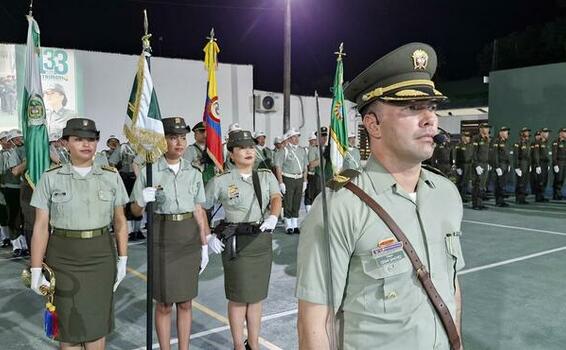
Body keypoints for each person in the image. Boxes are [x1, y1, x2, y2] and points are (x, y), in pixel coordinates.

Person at [296, 42, 464, 350]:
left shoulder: (446, 194)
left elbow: (450, 288)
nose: (430, 119)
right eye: (413, 108)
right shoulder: (341, 205)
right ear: (373, 124)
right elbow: (316, 322)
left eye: (432, 107)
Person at [30, 118, 129, 349]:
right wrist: (36, 269)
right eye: (78, 139)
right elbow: (41, 226)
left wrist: (123, 259)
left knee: (96, 329)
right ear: (66, 143)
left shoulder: (110, 176)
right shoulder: (50, 177)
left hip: (100, 257)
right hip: (62, 260)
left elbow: (120, 221)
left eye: (92, 139)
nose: (86, 144)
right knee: (68, 329)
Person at [130, 117, 212, 350]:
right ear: (162, 140)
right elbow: (135, 210)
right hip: (162, 235)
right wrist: (142, 199)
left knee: (186, 302)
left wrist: (204, 243)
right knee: (164, 303)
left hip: (188, 236)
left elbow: (199, 209)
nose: (179, 143)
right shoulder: (150, 170)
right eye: (173, 137)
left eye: (183, 138)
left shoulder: (193, 171)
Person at [205, 129, 282, 350]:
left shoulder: (265, 176)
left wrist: (274, 216)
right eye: (241, 148)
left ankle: (254, 344)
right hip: (236, 244)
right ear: (231, 154)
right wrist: (208, 234)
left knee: (256, 297)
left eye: (251, 147)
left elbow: (276, 197)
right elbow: (201, 206)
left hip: (260, 241)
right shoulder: (221, 181)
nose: (248, 151)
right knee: (239, 298)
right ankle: (239, 345)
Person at [274, 128, 307, 234]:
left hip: (299, 178)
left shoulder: (302, 150)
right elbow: (278, 167)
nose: (297, 139)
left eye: (298, 136)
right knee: (288, 201)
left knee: (297, 201)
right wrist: (281, 182)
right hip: (288, 178)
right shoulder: (284, 150)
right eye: (294, 137)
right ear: (289, 138)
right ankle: (288, 225)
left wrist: (305, 180)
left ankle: (295, 224)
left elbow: (305, 166)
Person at [471, 123, 491, 210]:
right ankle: (475, 204)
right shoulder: (476, 138)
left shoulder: (487, 139)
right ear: (481, 129)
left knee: (482, 184)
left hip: (485, 164)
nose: (487, 130)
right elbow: (473, 152)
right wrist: (476, 165)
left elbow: (488, 152)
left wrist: (489, 163)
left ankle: (480, 203)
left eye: (487, 128)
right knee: (477, 184)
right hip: (479, 164)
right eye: (485, 128)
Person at [491, 126, 511, 207]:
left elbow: (507, 155)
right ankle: (498, 201)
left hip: (505, 165)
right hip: (500, 165)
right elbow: (494, 155)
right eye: (505, 132)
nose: (507, 134)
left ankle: (501, 200)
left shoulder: (505, 142)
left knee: (503, 183)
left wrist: (509, 164)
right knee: (499, 184)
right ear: (501, 133)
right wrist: (497, 167)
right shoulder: (496, 141)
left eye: (507, 132)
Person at [532, 128, 551, 202]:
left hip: (545, 164)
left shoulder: (546, 143)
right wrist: (537, 165)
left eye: (548, 133)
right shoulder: (538, 142)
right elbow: (536, 154)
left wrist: (548, 164)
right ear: (542, 134)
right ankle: (538, 197)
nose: (547, 134)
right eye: (545, 133)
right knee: (540, 181)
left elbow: (547, 155)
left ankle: (541, 196)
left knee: (544, 180)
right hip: (541, 163)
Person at [514, 127, 531, 204]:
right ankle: (519, 198)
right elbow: (516, 156)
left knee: (525, 182)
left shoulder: (527, 142)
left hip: (527, 164)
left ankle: (522, 198)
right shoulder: (518, 142)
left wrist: (530, 165)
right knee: (520, 182)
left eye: (528, 132)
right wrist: (517, 167)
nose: (527, 133)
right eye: (526, 131)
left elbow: (529, 155)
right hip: (521, 164)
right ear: (522, 133)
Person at [454, 131, 473, 202]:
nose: (468, 138)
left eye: (468, 137)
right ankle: (459, 197)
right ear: (463, 138)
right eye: (466, 137)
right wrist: (457, 167)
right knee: (460, 182)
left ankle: (463, 196)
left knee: (466, 181)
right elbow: (456, 157)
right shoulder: (459, 146)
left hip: (469, 165)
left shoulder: (470, 145)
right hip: (461, 165)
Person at [552, 127, 566, 200]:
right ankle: (556, 194)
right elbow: (554, 154)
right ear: (560, 133)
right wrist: (555, 164)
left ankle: (558, 193)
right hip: (559, 162)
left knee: (562, 179)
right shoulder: (556, 142)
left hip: (564, 163)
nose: (565, 133)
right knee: (558, 178)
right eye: (564, 132)